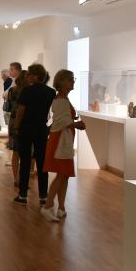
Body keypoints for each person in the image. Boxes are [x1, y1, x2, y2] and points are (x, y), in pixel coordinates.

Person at [42, 70, 86, 221]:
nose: (72, 82)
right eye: (70, 80)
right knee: (61, 174)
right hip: (60, 141)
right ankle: (48, 206)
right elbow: (60, 122)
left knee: (65, 174)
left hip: (63, 140)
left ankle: (61, 207)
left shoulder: (63, 99)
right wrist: (76, 123)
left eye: (72, 79)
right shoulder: (60, 100)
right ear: (61, 82)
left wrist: (73, 123)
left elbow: (60, 120)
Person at [12, 63, 56, 206]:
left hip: (26, 129)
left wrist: (16, 127)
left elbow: (21, 111)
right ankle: (43, 195)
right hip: (41, 130)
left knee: (25, 162)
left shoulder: (27, 91)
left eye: (29, 74)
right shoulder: (50, 92)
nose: (27, 76)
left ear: (36, 76)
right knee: (42, 163)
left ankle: (23, 195)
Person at [6, 70, 28, 186]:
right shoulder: (29, 91)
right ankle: (24, 177)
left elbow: (9, 107)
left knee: (16, 151)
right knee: (26, 151)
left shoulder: (12, 91)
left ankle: (16, 178)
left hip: (14, 121)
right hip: (26, 121)